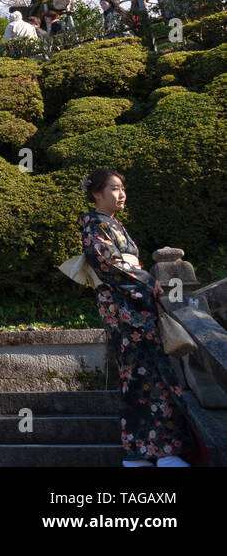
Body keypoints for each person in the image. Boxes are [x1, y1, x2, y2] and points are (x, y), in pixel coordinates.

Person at [77, 168, 192, 467]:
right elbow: (107, 262)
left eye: (122, 188)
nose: (121, 193)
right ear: (96, 193)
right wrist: (145, 280)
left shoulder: (112, 225)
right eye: (114, 188)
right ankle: (151, 452)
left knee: (149, 374)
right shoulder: (93, 225)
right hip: (123, 308)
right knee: (140, 374)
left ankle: (151, 451)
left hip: (134, 305)